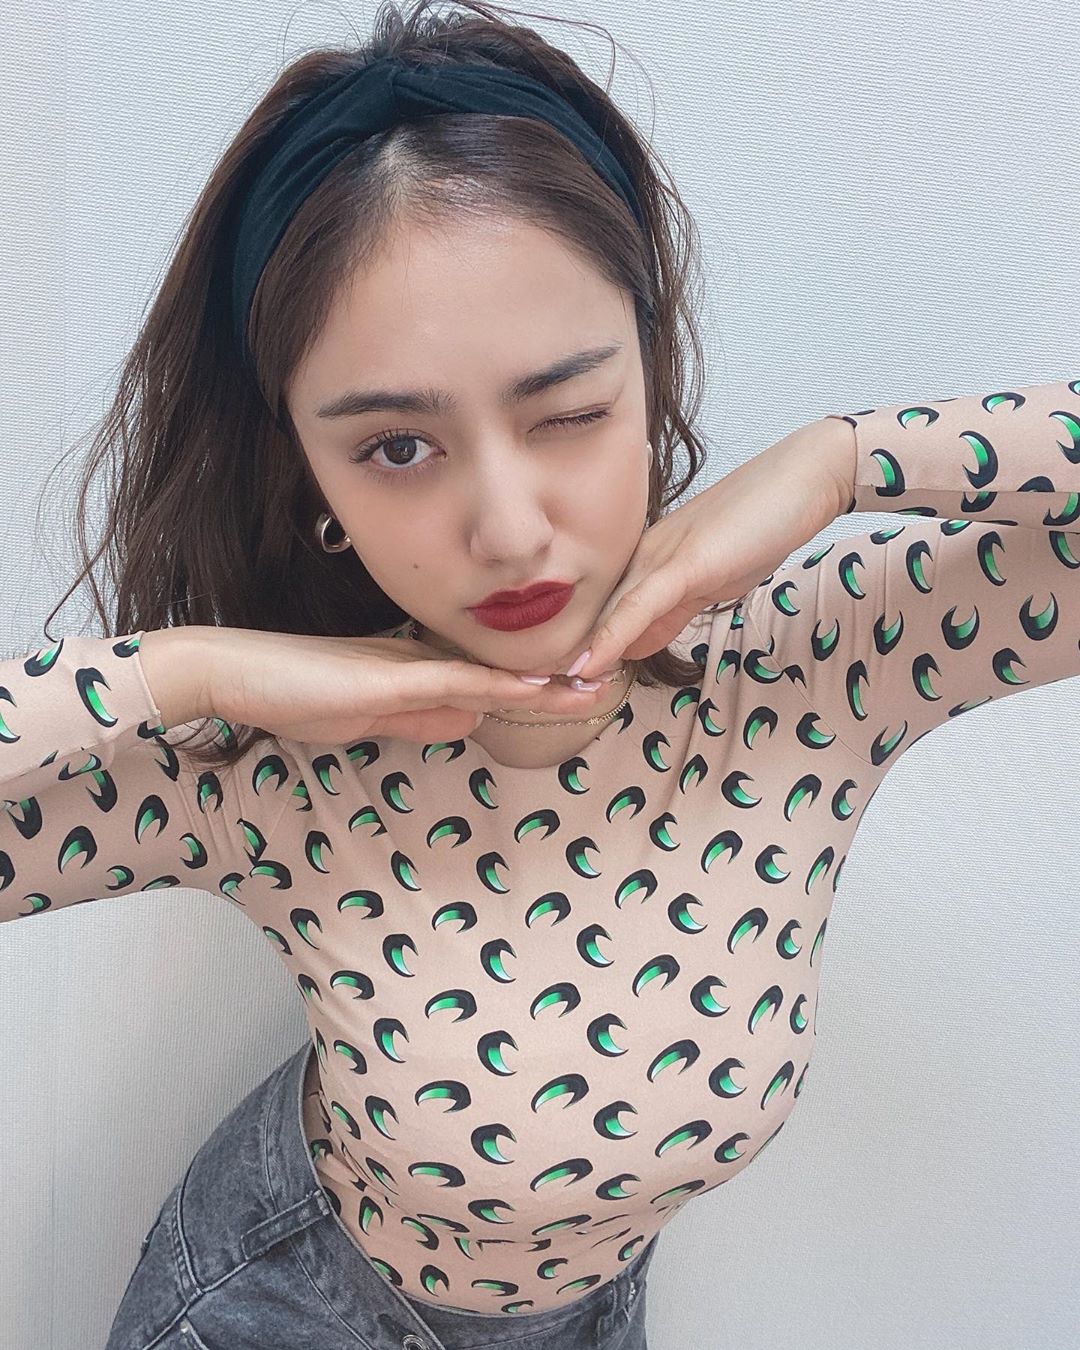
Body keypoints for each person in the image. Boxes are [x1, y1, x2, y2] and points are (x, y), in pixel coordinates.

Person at [3, 1, 1077, 1347]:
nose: (509, 530)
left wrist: (841, 462)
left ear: (649, 371)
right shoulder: (267, 763)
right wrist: (190, 671)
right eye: (396, 448)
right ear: (311, 473)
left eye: (568, 411)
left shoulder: (815, 669)